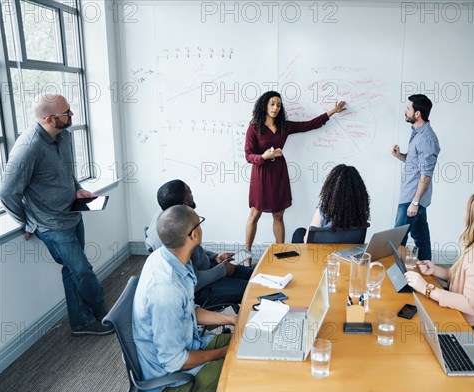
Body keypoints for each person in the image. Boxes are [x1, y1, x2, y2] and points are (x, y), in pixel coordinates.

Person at [0, 94, 113, 336]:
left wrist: (77, 188)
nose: (72, 115)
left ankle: (81, 323)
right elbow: (7, 193)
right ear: (49, 119)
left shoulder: (64, 135)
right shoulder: (28, 148)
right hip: (51, 224)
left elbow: (66, 171)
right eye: (67, 113)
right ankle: (105, 313)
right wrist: (28, 222)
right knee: (82, 270)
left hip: (72, 213)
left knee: (73, 271)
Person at [133, 205, 237, 392]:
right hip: (172, 383)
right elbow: (175, 361)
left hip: (190, 344)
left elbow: (188, 311)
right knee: (245, 368)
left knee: (243, 341)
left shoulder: (169, 257)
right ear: (193, 235)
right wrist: (222, 353)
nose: (201, 227)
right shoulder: (166, 290)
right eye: (200, 223)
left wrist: (230, 320)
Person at [404, 192, 474, 357]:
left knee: (414, 333)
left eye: (466, 208)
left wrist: (426, 288)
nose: (462, 211)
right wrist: (436, 270)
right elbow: (467, 279)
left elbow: (470, 304)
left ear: (473, 219)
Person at [244, 91, 346, 256]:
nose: (275, 108)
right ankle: (246, 254)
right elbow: (248, 155)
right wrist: (264, 156)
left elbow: (309, 124)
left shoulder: (284, 126)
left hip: (279, 173)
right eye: (272, 104)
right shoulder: (254, 127)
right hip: (261, 173)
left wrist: (332, 111)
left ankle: (281, 254)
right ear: (264, 105)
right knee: (255, 213)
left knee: (278, 215)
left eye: (278, 105)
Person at [145, 180, 252, 307]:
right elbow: (191, 281)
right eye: (189, 191)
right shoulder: (170, 233)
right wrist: (223, 269)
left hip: (207, 268)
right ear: (185, 203)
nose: (192, 193)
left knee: (253, 275)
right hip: (199, 289)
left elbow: (194, 250)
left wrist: (215, 257)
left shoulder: (170, 216)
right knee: (252, 290)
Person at [391, 94, 440, 261]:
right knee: (421, 239)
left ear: (417, 113)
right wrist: (400, 156)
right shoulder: (418, 134)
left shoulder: (427, 139)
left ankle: (394, 277)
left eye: (408, 108)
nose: (405, 111)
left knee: (397, 241)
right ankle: (428, 272)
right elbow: (415, 163)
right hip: (412, 197)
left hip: (412, 199)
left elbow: (426, 174)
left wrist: (415, 202)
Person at [291, 164, 370, 243]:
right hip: (348, 253)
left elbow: (307, 240)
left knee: (299, 232)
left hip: (320, 253)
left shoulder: (324, 208)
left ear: (331, 187)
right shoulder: (360, 208)